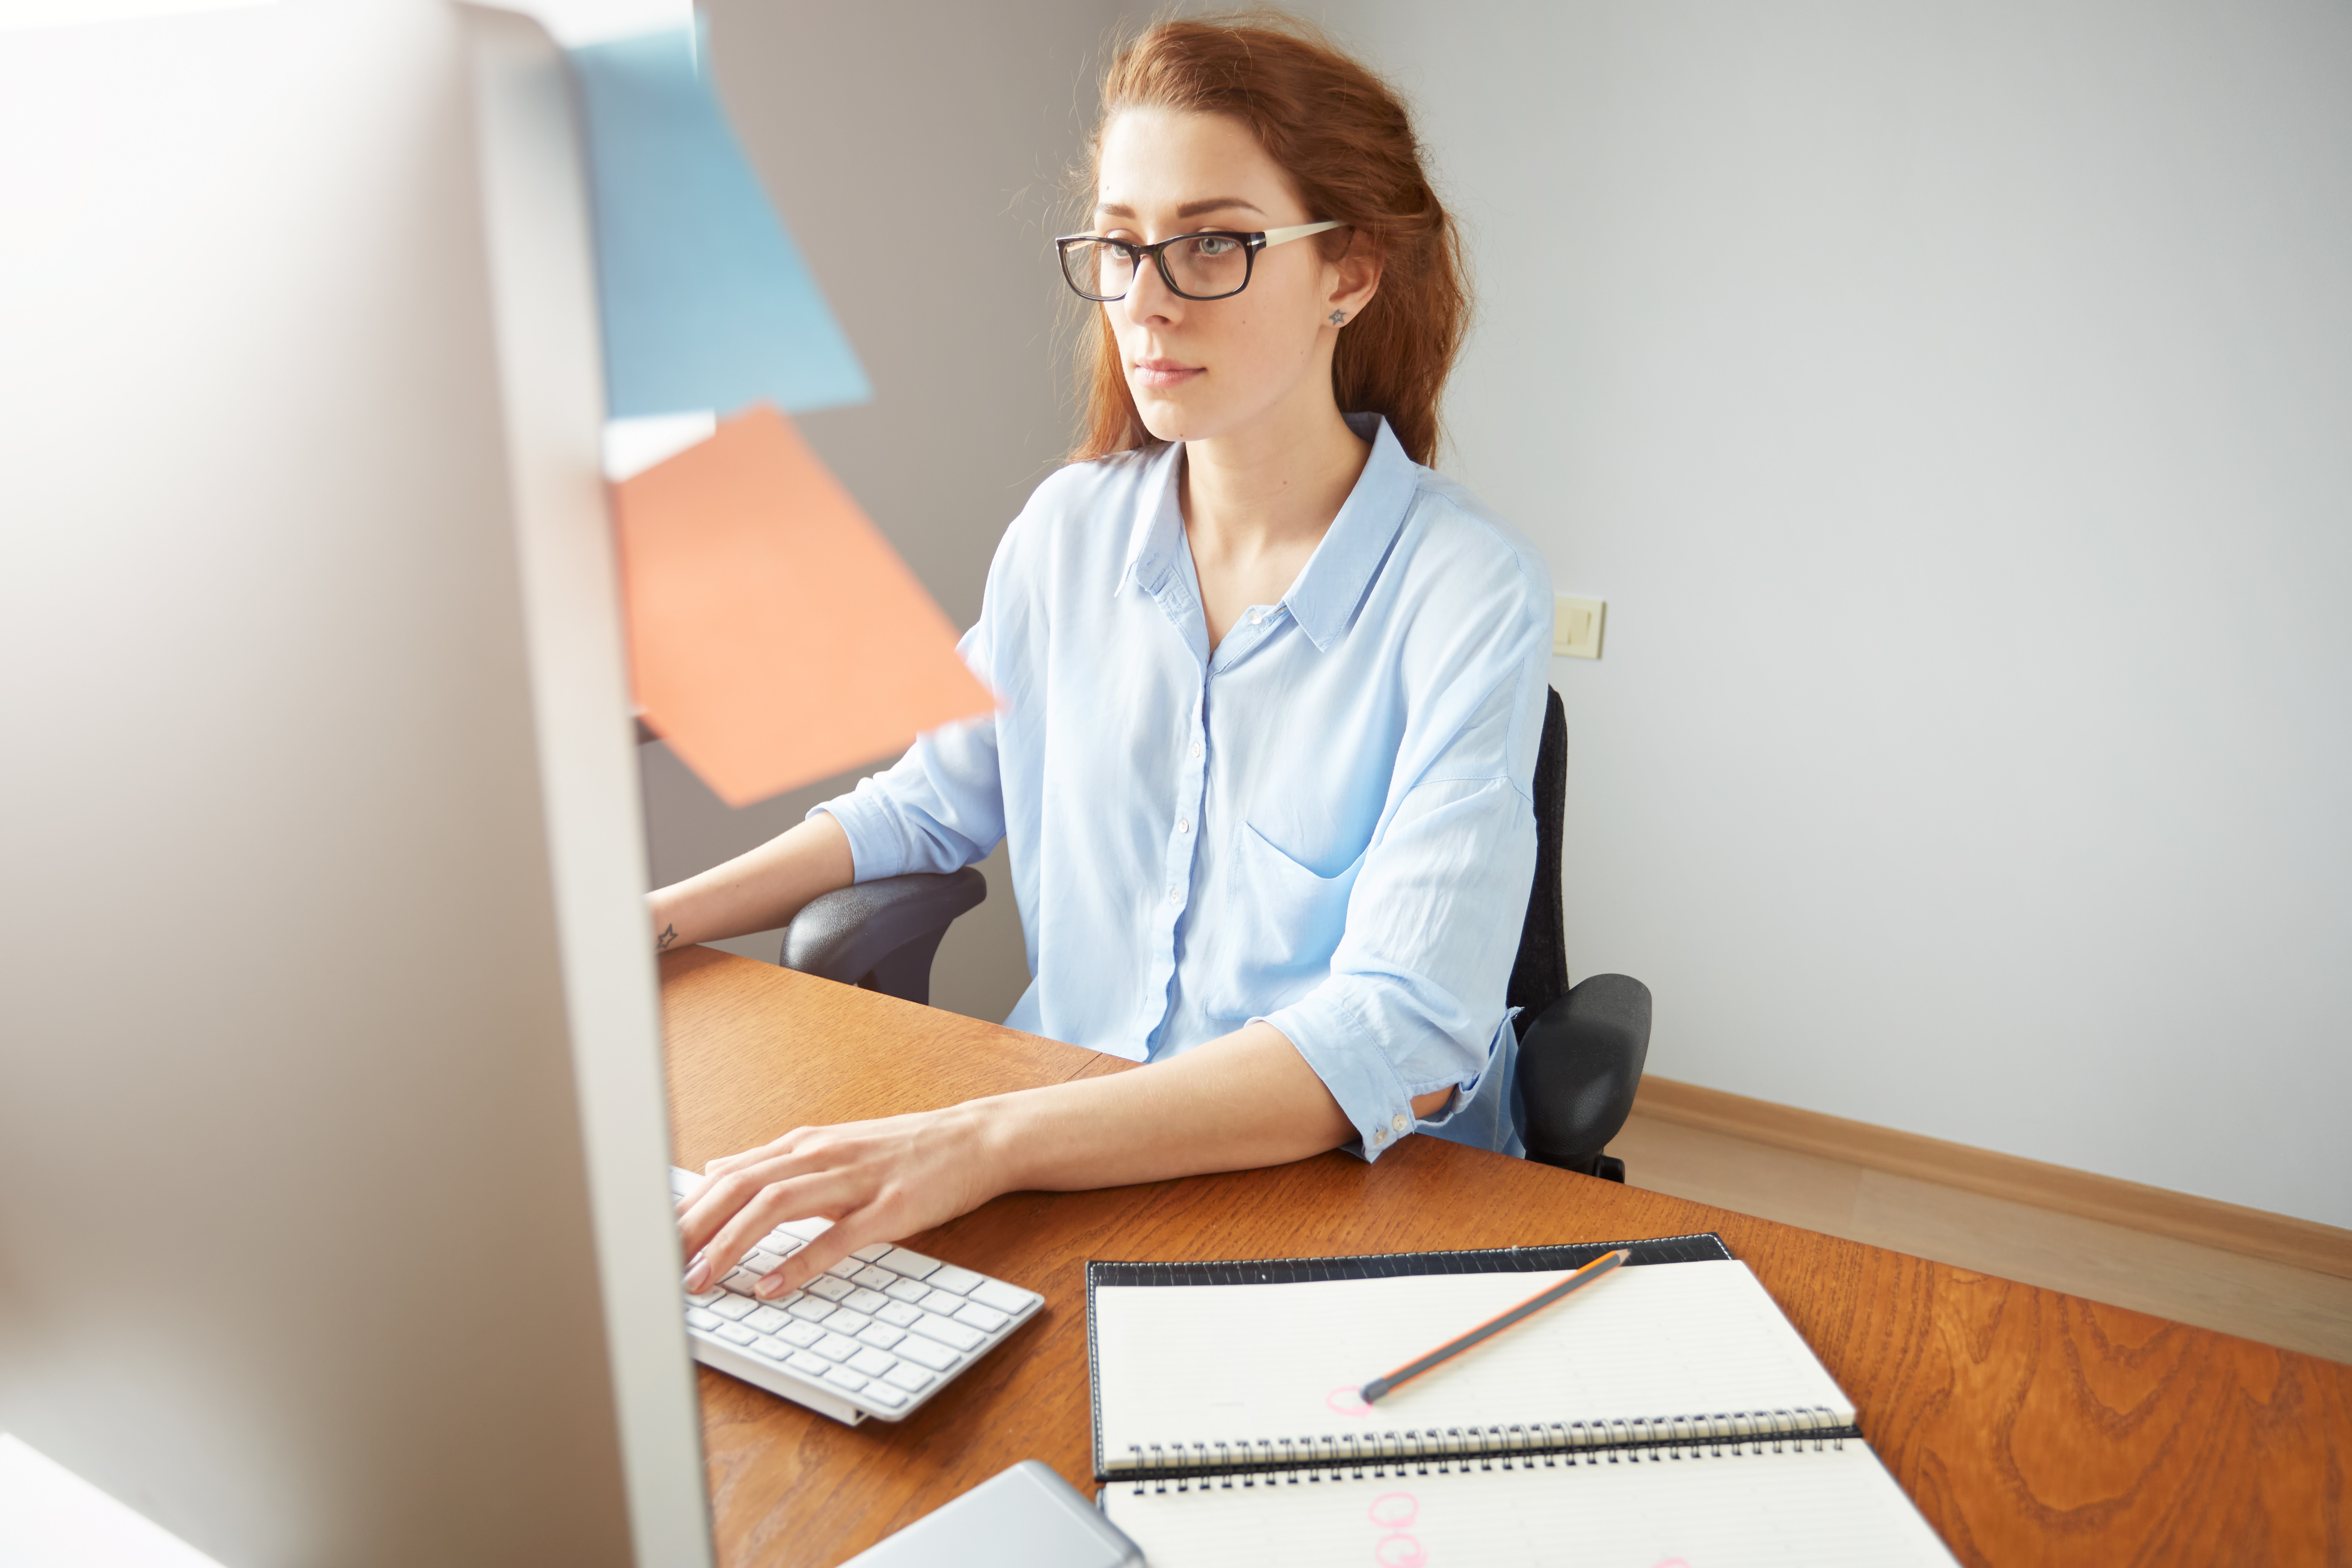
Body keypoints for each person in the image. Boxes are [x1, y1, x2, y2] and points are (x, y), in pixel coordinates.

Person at [660, 14, 1553, 1304]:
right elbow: (923, 805)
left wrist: (981, 1142)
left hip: (1335, 1205)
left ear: (1349, 272)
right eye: (1123, 245)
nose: (1144, 300)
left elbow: (1402, 1029)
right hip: (1062, 1146)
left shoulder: (1465, 591)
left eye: (1210, 244)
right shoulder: (1068, 533)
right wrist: (649, 922)